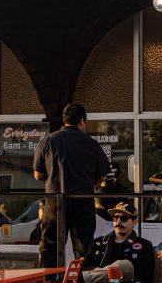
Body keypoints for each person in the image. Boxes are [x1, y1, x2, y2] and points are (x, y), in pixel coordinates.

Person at [34, 103, 111, 268]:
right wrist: (89, 183)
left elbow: (38, 174)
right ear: (82, 121)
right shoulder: (91, 144)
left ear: (64, 120)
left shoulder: (47, 140)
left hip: (54, 202)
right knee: (83, 249)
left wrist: (53, 177)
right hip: (82, 201)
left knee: (49, 246)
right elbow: (102, 176)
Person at [80, 201, 155, 283]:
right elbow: (84, 267)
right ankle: (80, 280)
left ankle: (78, 278)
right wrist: (97, 270)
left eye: (123, 218)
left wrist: (118, 280)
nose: (118, 221)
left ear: (134, 222)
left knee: (124, 265)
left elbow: (146, 276)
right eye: (115, 217)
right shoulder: (98, 242)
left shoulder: (144, 245)